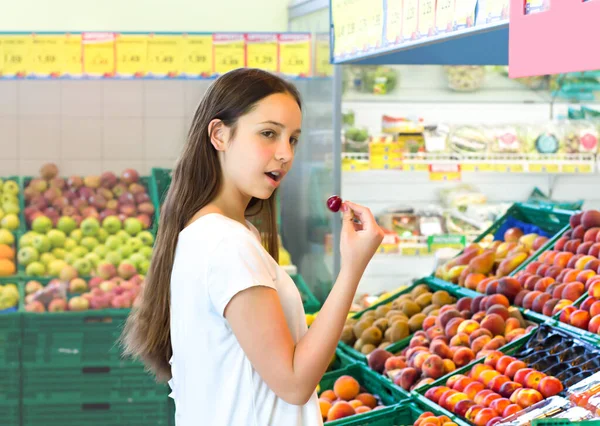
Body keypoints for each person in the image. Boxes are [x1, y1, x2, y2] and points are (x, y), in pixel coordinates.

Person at [120, 68, 384, 426]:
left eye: (293, 139)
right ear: (219, 134)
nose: (285, 154)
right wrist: (352, 268)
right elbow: (293, 383)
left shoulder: (207, 232)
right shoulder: (227, 244)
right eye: (268, 134)